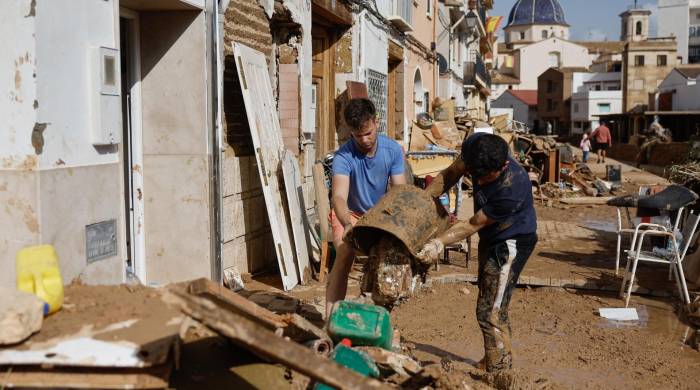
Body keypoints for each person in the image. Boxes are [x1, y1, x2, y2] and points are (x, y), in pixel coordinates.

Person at [416, 133, 537, 374]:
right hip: (491, 237)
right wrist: (422, 201)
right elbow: (450, 174)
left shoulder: (512, 186)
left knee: (490, 309)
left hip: (511, 242)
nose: (479, 182)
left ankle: (500, 372)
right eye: (474, 175)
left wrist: (438, 243)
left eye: (484, 178)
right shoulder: (476, 146)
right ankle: (495, 356)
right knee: (489, 298)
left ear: (501, 166)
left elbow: (472, 224)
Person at [325, 98, 406, 318]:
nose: (364, 139)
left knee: (388, 263)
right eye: (358, 135)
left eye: (368, 133)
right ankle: (330, 320)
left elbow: (399, 192)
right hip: (350, 213)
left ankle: (380, 319)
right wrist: (347, 224)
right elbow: (339, 198)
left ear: (375, 122)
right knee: (343, 254)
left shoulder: (393, 150)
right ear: (350, 132)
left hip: (380, 214)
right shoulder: (344, 156)